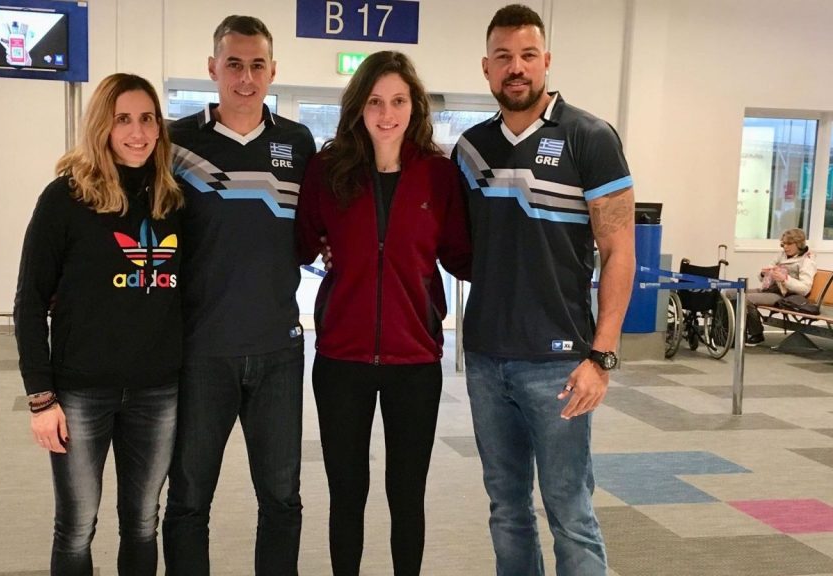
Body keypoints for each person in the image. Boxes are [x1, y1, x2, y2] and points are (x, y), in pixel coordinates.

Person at [452, 5, 635, 575]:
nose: (517, 67)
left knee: (570, 513)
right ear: (486, 67)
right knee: (507, 511)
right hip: (486, 360)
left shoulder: (589, 138)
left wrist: (601, 356)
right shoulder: (469, 150)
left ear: (546, 61)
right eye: (504, 56)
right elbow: (457, 243)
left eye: (528, 55)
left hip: (559, 365)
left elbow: (620, 254)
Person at [296, 51, 471, 575]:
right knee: (347, 493)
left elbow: (462, 255)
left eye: (398, 101)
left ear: (414, 106)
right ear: (358, 107)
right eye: (375, 101)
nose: (387, 113)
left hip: (415, 361)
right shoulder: (328, 170)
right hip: (340, 360)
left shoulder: (438, 174)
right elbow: (300, 241)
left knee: (406, 494)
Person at [162, 15, 316, 576]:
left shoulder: (298, 143)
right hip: (201, 351)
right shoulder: (178, 143)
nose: (245, 78)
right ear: (213, 69)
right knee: (188, 501)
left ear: (273, 71)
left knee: (281, 500)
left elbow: (317, 229)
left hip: (278, 351)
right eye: (234, 65)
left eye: (256, 65)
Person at [14, 73, 185, 576]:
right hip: (81, 393)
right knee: (76, 525)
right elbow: (28, 303)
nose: (138, 132)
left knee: (143, 522)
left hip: (157, 390)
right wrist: (41, 398)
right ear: (101, 127)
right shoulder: (64, 199)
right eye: (123, 119)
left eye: (147, 118)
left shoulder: (172, 201)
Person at [744, 227, 817, 345]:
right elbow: (764, 276)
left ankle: (756, 334)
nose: (785, 247)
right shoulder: (782, 255)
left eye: (789, 244)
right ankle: (728, 332)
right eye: (783, 244)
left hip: (785, 296)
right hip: (770, 289)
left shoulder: (807, 261)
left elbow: (805, 289)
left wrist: (785, 279)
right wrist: (763, 273)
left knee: (746, 298)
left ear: (799, 244)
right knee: (731, 292)